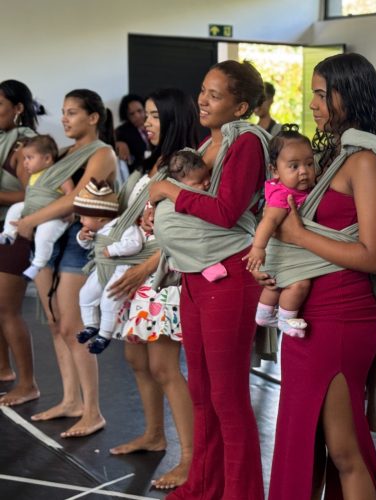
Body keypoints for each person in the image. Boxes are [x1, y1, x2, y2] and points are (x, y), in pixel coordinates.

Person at [261, 52, 376, 500]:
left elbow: (373, 255)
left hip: (343, 317)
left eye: (323, 95)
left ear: (350, 95)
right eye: (313, 95)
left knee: (345, 450)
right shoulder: (330, 157)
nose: (313, 105)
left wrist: (298, 237)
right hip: (312, 315)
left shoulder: (364, 162)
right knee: (310, 443)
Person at [149, 60, 269, 500]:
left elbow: (225, 211)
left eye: (215, 95)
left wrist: (167, 193)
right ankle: (203, 484)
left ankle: (241, 494)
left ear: (240, 106)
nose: (202, 99)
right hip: (195, 279)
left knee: (228, 398)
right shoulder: (209, 142)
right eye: (203, 90)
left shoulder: (248, 143)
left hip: (229, 278)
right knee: (200, 390)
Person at [104, 88, 198, 491]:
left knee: (163, 366)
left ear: (175, 118)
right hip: (138, 273)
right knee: (137, 359)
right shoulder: (156, 160)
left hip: (163, 273)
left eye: (156, 116)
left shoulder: (187, 162)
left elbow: (192, 227)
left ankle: (191, 458)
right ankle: (154, 433)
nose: (147, 122)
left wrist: (146, 267)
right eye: (148, 116)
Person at [8, 89, 117, 438]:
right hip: (50, 238)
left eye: (72, 112)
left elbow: (78, 198)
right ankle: (71, 400)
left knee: (73, 328)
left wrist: (30, 218)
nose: (65, 119)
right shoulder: (65, 153)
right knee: (55, 324)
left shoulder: (102, 154)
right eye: (63, 112)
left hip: (76, 243)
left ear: (94, 117)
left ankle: (93, 410)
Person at [242, 125, 316, 336]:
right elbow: (268, 221)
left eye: (309, 164)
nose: (304, 171)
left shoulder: (296, 189)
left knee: (273, 284)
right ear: (275, 170)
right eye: (294, 166)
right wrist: (258, 248)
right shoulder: (283, 195)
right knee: (299, 283)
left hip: (285, 250)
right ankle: (285, 319)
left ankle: (264, 314)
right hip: (279, 250)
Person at [0, 79, 40, 405]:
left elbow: (32, 196)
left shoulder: (25, 145)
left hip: (14, 232)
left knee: (7, 309)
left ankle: (28, 383)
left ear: (18, 109)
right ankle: (3, 369)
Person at [73, 179, 143, 354]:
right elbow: (88, 247)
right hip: (102, 268)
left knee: (109, 299)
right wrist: (82, 237)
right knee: (85, 294)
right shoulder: (95, 230)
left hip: (120, 267)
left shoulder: (123, 226)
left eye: (84, 217)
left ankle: (104, 335)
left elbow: (135, 244)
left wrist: (113, 249)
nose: (81, 221)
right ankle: (91, 325)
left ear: (100, 218)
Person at [1, 135, 74, 280]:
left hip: (54, 214)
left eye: (29, 158)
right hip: (34, 209)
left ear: (47, 159)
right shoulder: (33, 176)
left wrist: (69, 211)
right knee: (16, 208)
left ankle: (38, 264)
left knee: (44, 234)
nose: (25, 163)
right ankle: (8, 234)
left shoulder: (58, 173)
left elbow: (70, 193)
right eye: (24, 158)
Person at [115, 94, 151, 170]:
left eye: (139, 111)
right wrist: (118, 143)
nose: (137, 116)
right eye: (132, 114)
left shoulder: (155, 124)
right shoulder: (122, 132)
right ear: (126, 116)